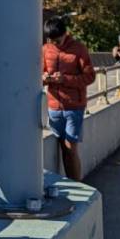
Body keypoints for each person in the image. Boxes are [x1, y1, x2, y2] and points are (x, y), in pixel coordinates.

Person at [42, 16, 95, 181]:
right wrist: (44, 77)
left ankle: (77, 185)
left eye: (57, 40)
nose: (55, 44)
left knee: (70, 148)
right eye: (51, 41)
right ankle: (70, 183)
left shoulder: (79, 49)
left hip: (74, 106)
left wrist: (64, 79)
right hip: (53, 107)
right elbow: (38, 73)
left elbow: (90, 76)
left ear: (65, 34)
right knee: (63, 148)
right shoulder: (45, 49)